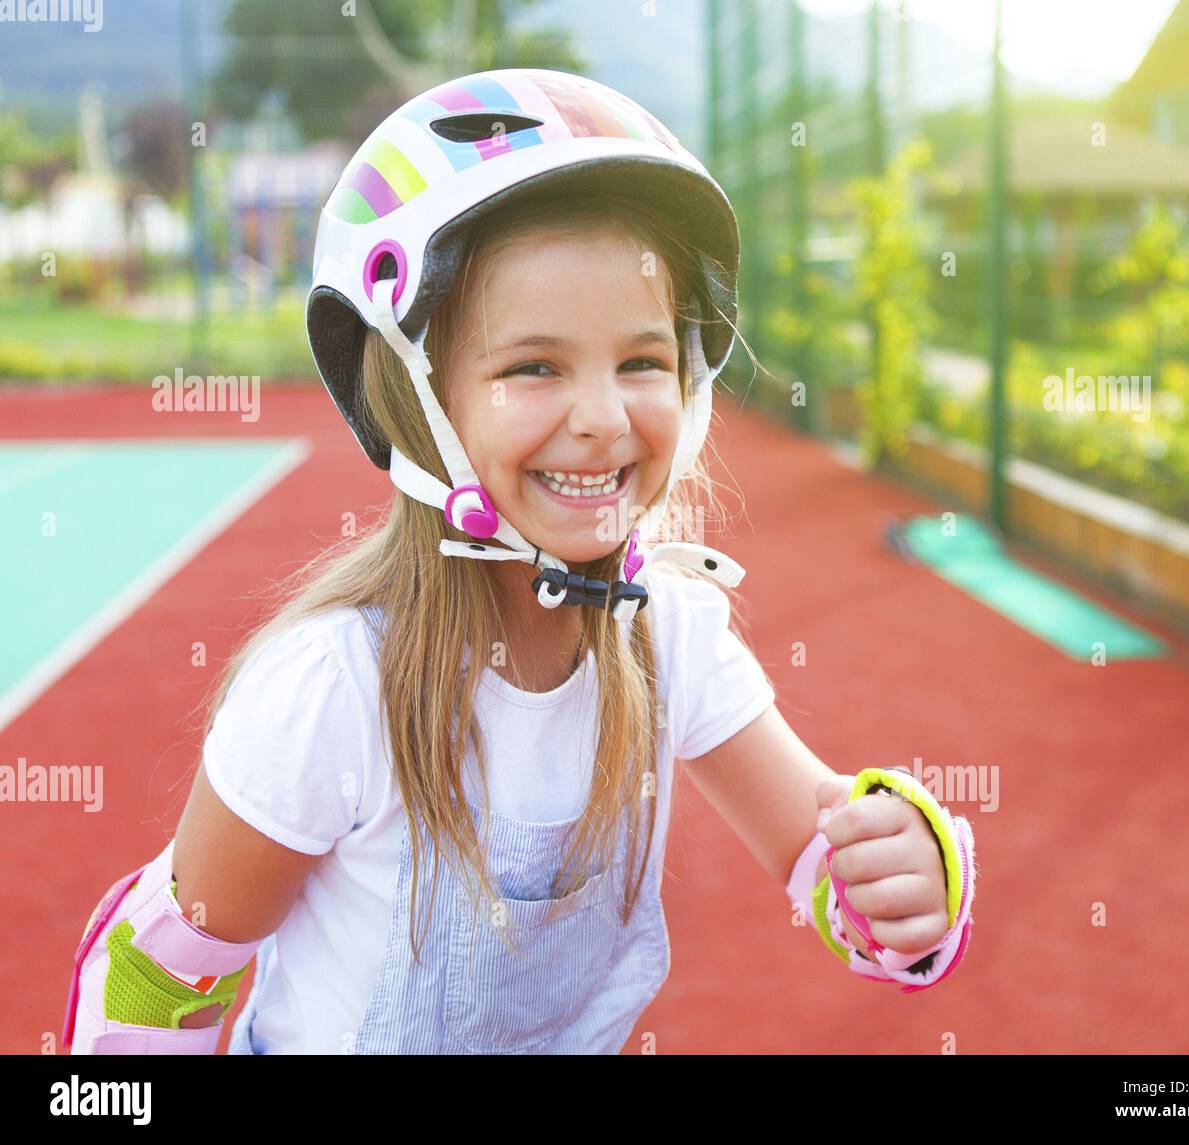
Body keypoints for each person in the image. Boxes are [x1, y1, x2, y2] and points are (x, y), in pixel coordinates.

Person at [63, 68, 976, 1055]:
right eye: (531, 367)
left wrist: (904, 864)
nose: (603, 417)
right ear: (418, 403)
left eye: (641, 360)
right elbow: (165, 973)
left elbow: (828, 858)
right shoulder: (330, 690)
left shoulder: (670, 632)